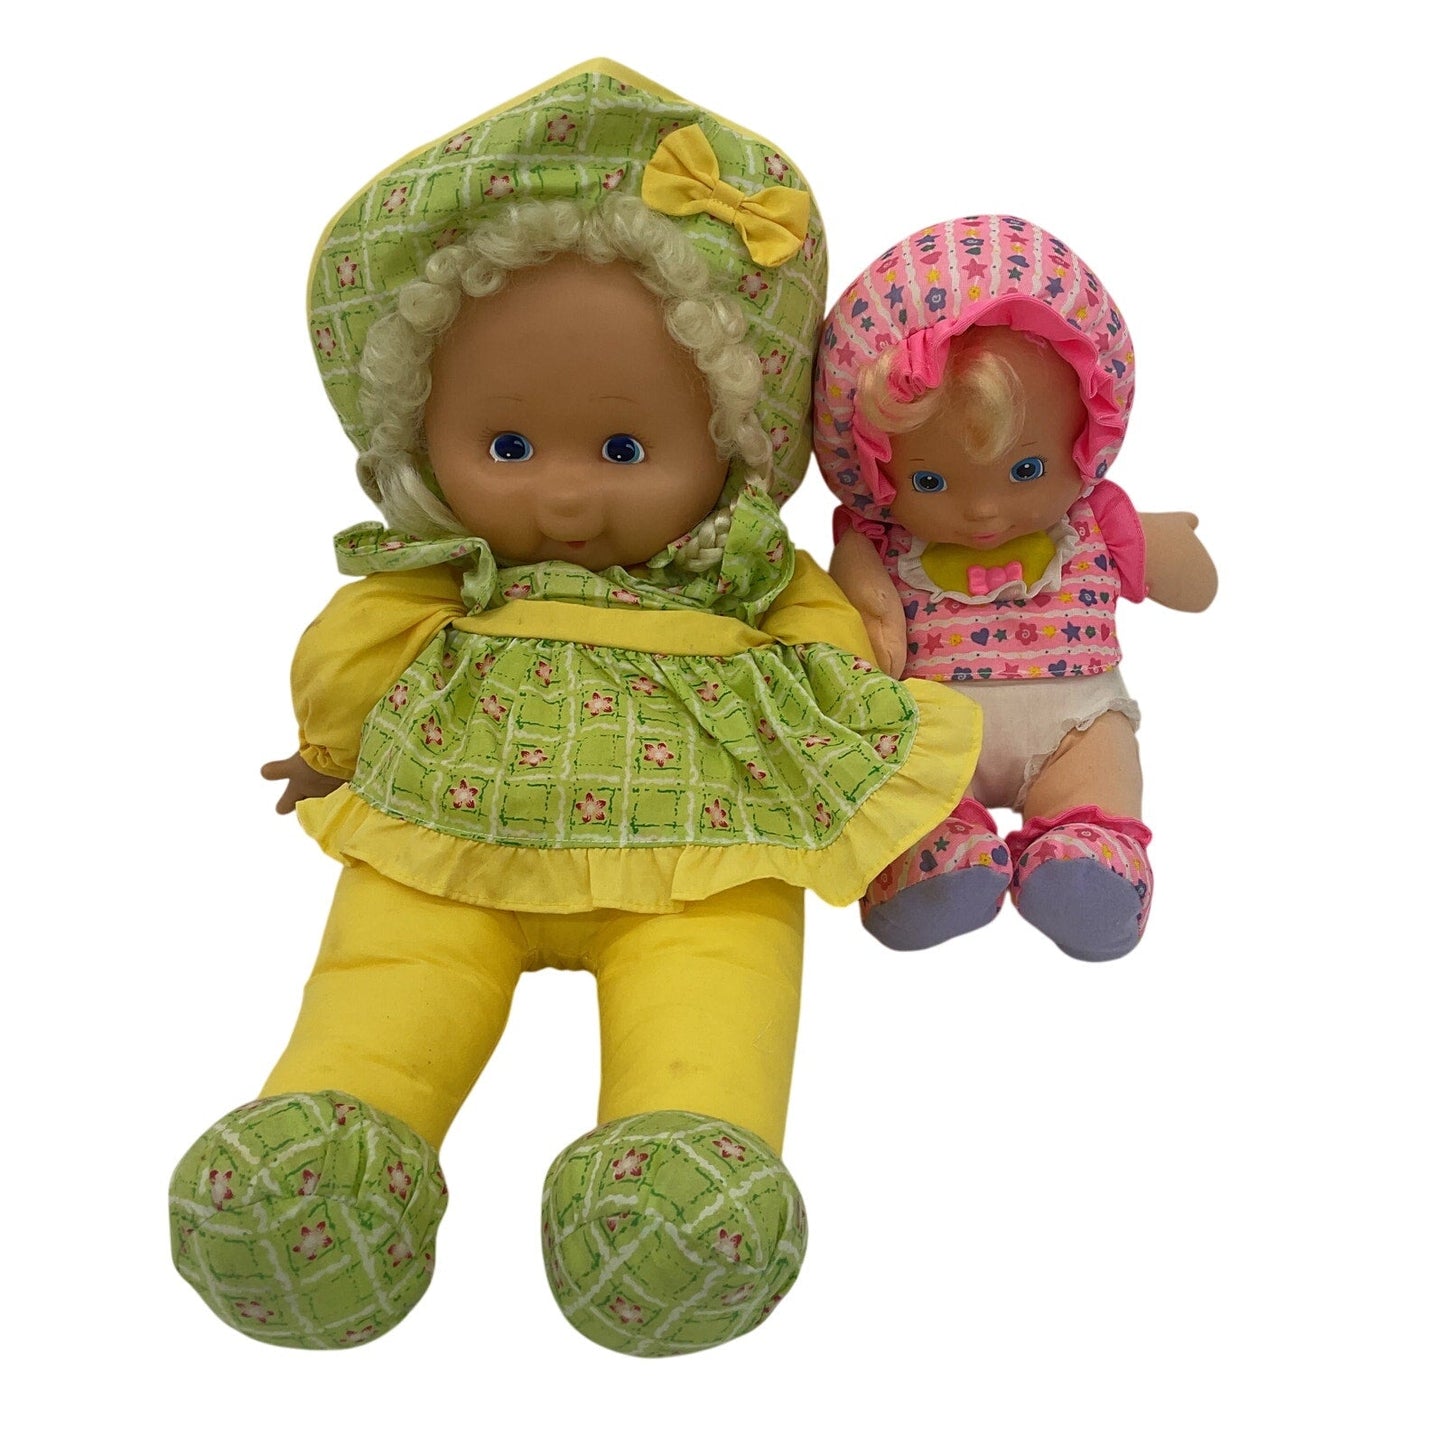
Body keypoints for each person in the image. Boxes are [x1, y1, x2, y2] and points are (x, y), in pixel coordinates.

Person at [169, 60, 977, 1356]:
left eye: (622, 449)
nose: (561, 494)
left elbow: (824, 642)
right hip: (449, 834)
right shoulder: (447, 574)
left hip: (698, 844)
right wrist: (330, 744)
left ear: (735, 438)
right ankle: (329, 1158)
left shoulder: (740, 571)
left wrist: (863, 707)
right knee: (393, 970)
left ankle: (680, 1178)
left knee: (718, 975)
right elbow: (357, 645)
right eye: (504, 447)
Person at [816, 214, 1215, 962]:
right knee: (906, 781)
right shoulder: (875, 546)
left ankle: (1087, 859)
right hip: (934, 728)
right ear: (872, 467)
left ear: (1087, 435)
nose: (984, 510)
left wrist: (1168, 546)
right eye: (930, 482)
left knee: (1097, 767)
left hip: (1075, 724)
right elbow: (854, 627)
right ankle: (932, 857)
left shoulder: (1094, 523)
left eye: (1025, 470)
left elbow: (1196, 588)